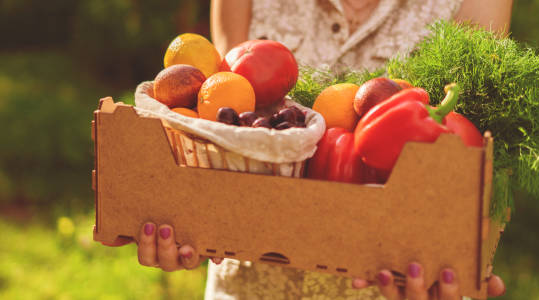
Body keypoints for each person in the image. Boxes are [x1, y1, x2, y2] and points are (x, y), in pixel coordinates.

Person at [119, 0, 513, 299]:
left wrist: (463, 248)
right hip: (250, 281)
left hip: (392, 276)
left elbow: (465, 146)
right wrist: (188, 210)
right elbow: (223, 117)